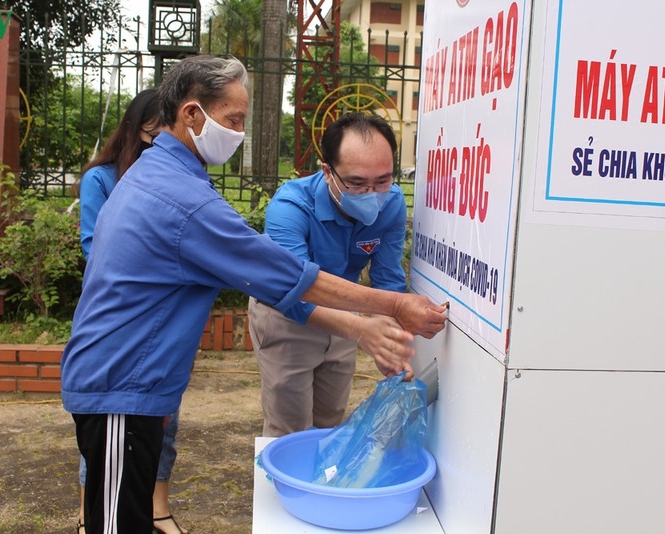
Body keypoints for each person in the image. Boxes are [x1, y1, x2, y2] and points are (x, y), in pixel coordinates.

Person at [60, 54, 446, 534]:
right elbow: (284, 275)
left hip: (136, 380)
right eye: (234, 120)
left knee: (128, 513)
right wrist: (391, 306)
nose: (241, 132)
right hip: (122, 382)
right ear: (191, 114)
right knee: (114, 524)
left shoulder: (165, 173)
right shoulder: (181, 197)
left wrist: (380, 319)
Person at [248, 112, 411, 437]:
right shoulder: (290, 208)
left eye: (383, 180)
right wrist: (363, 330)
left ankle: (322, 486)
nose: (372, 193)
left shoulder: (391, 204)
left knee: (330, 422)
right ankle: (283, 488)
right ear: (327, 172)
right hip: (287, 317)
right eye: (356, 183)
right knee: (288, 428)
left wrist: (389, 345)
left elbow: (389, 279)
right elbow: (292, 292)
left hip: (346, 317)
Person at [75, 88, 188, 534]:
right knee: (111, 434)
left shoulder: (178, 178)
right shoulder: (103, 179)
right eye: (150, 134)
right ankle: (92, 513)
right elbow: (97, 247)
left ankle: (156, 507)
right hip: (120, 324)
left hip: (162, 329)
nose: (158, 143)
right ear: (133, 130)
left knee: (161, 423)